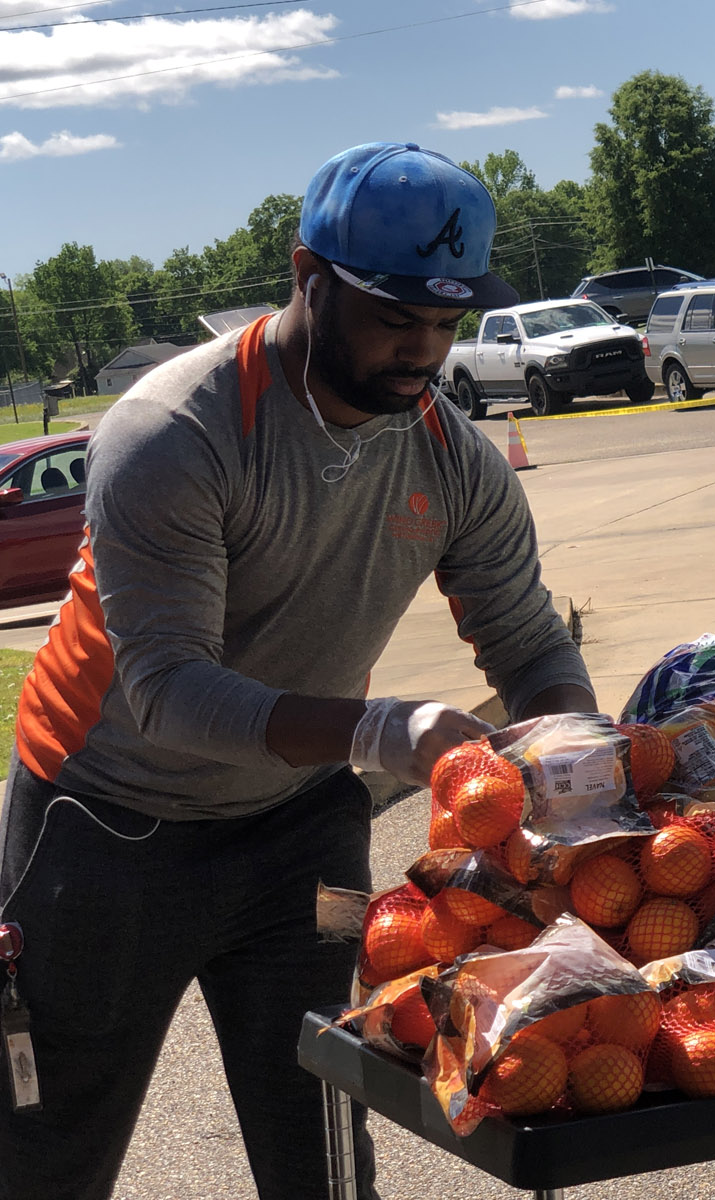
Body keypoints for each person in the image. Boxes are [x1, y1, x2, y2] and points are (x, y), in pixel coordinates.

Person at [0, 142, 597, 1200]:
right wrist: (380, 732)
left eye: (446, 323)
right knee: (51, 1143)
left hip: (296, 833)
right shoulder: (176, 431)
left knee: (320, 1137)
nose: (423, 351)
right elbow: (167, 690)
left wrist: (575, 766)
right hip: (103, 825)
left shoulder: (447, 455)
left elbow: (529, 642)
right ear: (306, 276)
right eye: (392, 316)